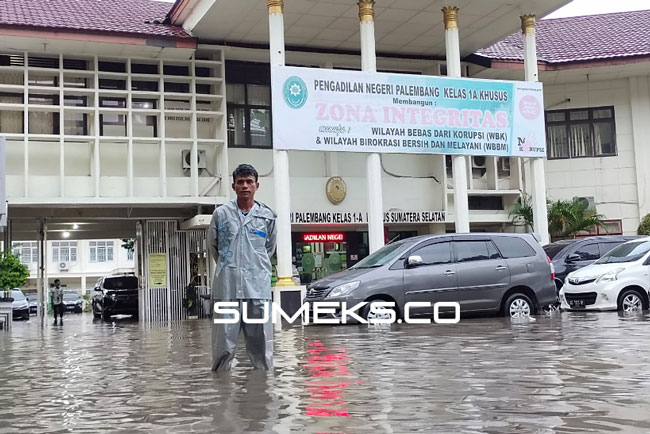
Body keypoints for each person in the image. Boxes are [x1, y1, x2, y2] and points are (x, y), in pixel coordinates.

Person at [209, 164, 277, 372]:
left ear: (257, 185)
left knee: (262, 346)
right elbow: (214, 248)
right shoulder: (221, 215)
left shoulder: (267, 216)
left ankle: (262, 392)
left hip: (258, 289)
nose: (245, 186)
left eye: (249, 182)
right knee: (223, 346)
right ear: (233, 186)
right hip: (227, 289)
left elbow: (269, 250)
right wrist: (230, 267)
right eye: (240, 182)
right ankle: (222, 391)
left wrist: (253, 268)